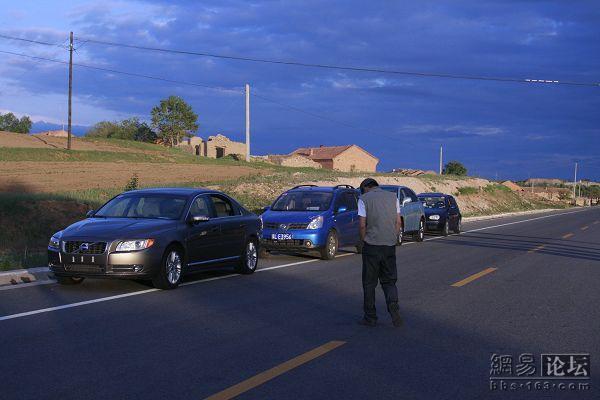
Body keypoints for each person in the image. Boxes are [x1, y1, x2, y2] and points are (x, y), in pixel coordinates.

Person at [357, 178, 403, 327]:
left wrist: (363, 240)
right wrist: (393, 237)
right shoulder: (393, 197)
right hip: (389, 245)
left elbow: (362, 225)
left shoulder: (363, 199)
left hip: (371, 246)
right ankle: (393, 308)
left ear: (366, 188)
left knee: (369, 283)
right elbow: (398, 222)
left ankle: (370, 317)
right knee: (389, 281)